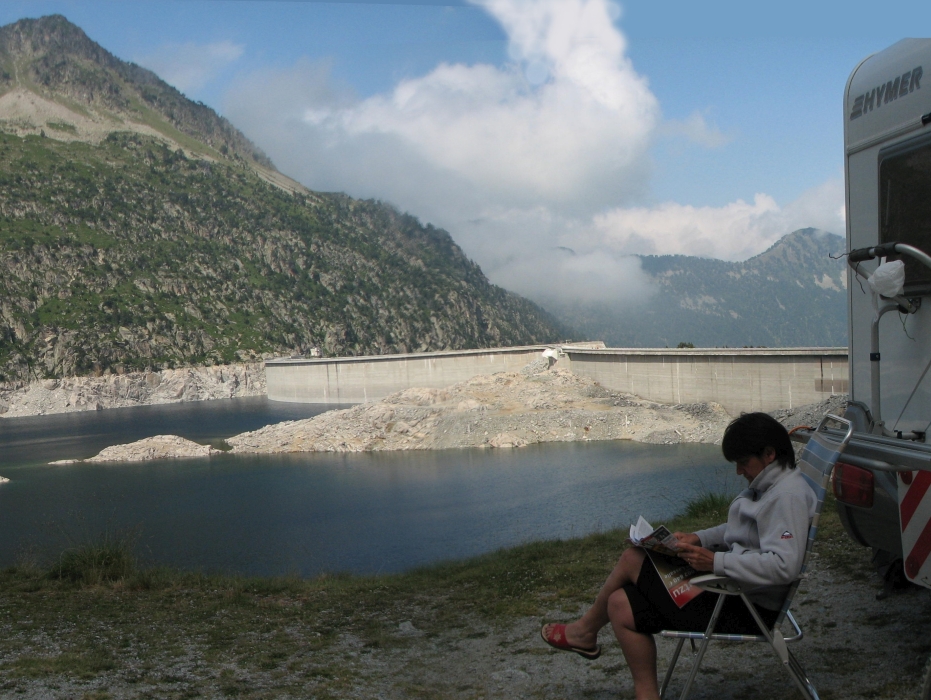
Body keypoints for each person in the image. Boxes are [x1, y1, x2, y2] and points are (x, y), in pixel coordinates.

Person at [540, 412, 816, 700]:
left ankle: (583, 632)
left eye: (743, 462)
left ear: (769, 454)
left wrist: (715, 561)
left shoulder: (787, 497)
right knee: (619, 604)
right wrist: (700, 538)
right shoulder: (773, 486)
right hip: (731, 589)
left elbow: (784, 566)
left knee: (633, 558)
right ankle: (645, 693)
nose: (739, 471)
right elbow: (746, 529)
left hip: (744, 606)